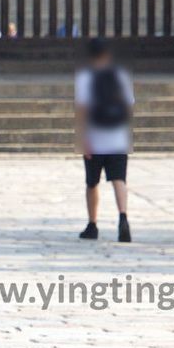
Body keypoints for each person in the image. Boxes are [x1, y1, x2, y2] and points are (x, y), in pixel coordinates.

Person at [75, 38, 134, 242]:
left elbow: (83, 110)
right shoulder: (121, 75)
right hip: (118, 136)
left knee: (92, 183)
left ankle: (92, 224)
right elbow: (128, 106)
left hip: (95, 137)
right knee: (119, 180)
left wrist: (83, 140)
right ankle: (123, 217)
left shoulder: (86, 77)